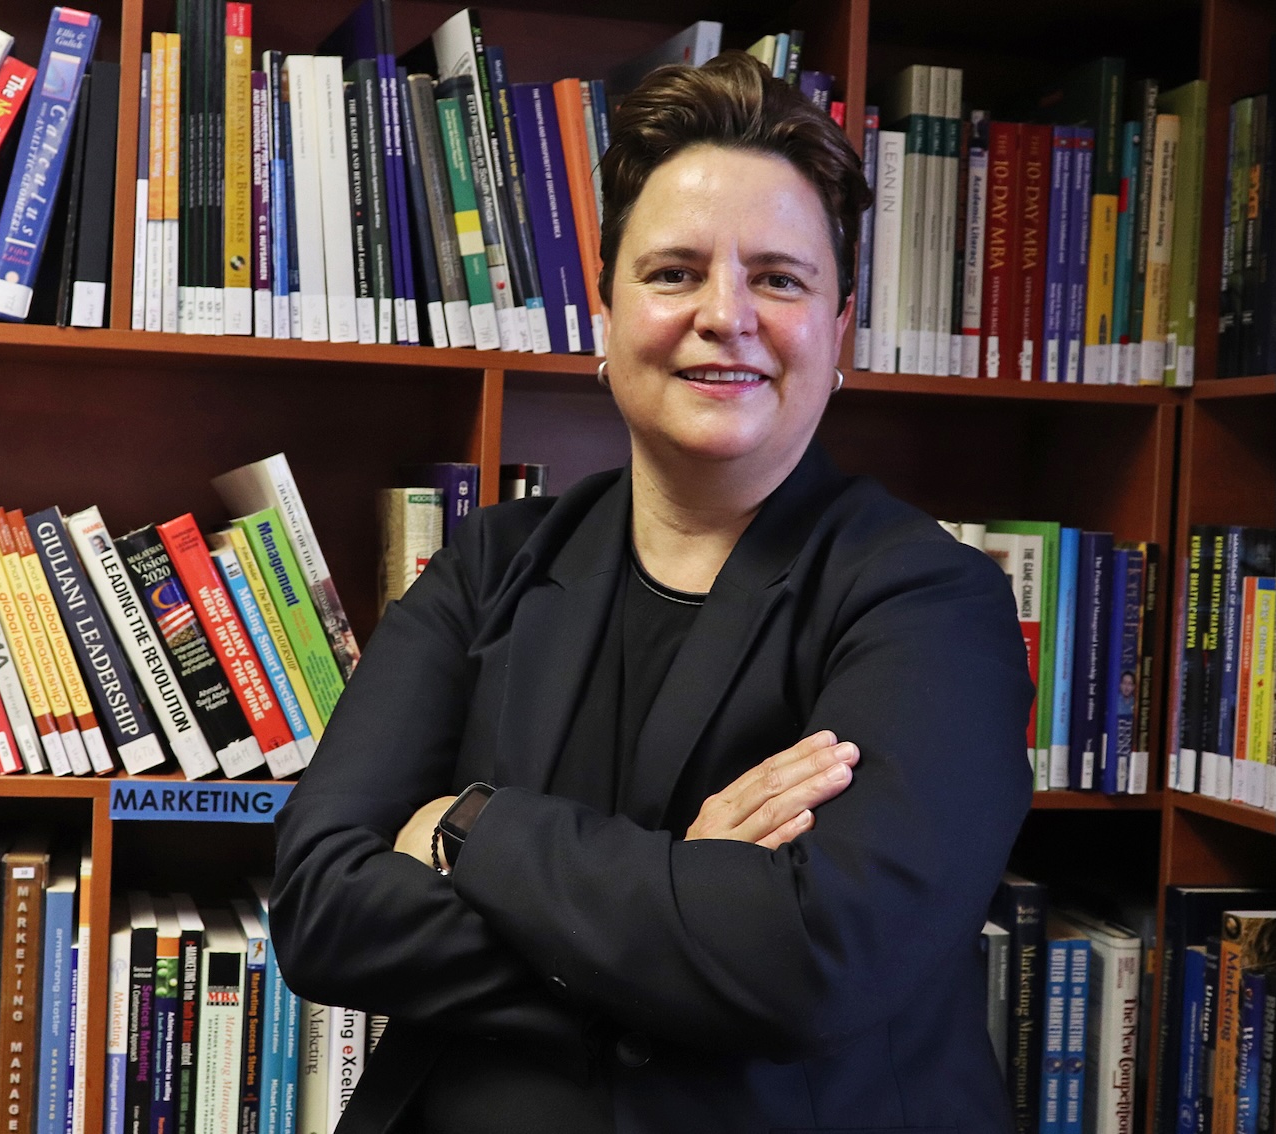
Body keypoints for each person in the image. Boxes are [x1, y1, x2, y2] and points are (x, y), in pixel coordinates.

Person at [270, 52, 1033, 1133]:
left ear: (839, 329)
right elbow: (321, 910)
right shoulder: (488, 565)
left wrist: (469, 828)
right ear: (606, 311)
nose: (725, 314)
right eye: (674, 272)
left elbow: (814, 961)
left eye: (779, 279)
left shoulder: (930, 604)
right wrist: (684, 913)